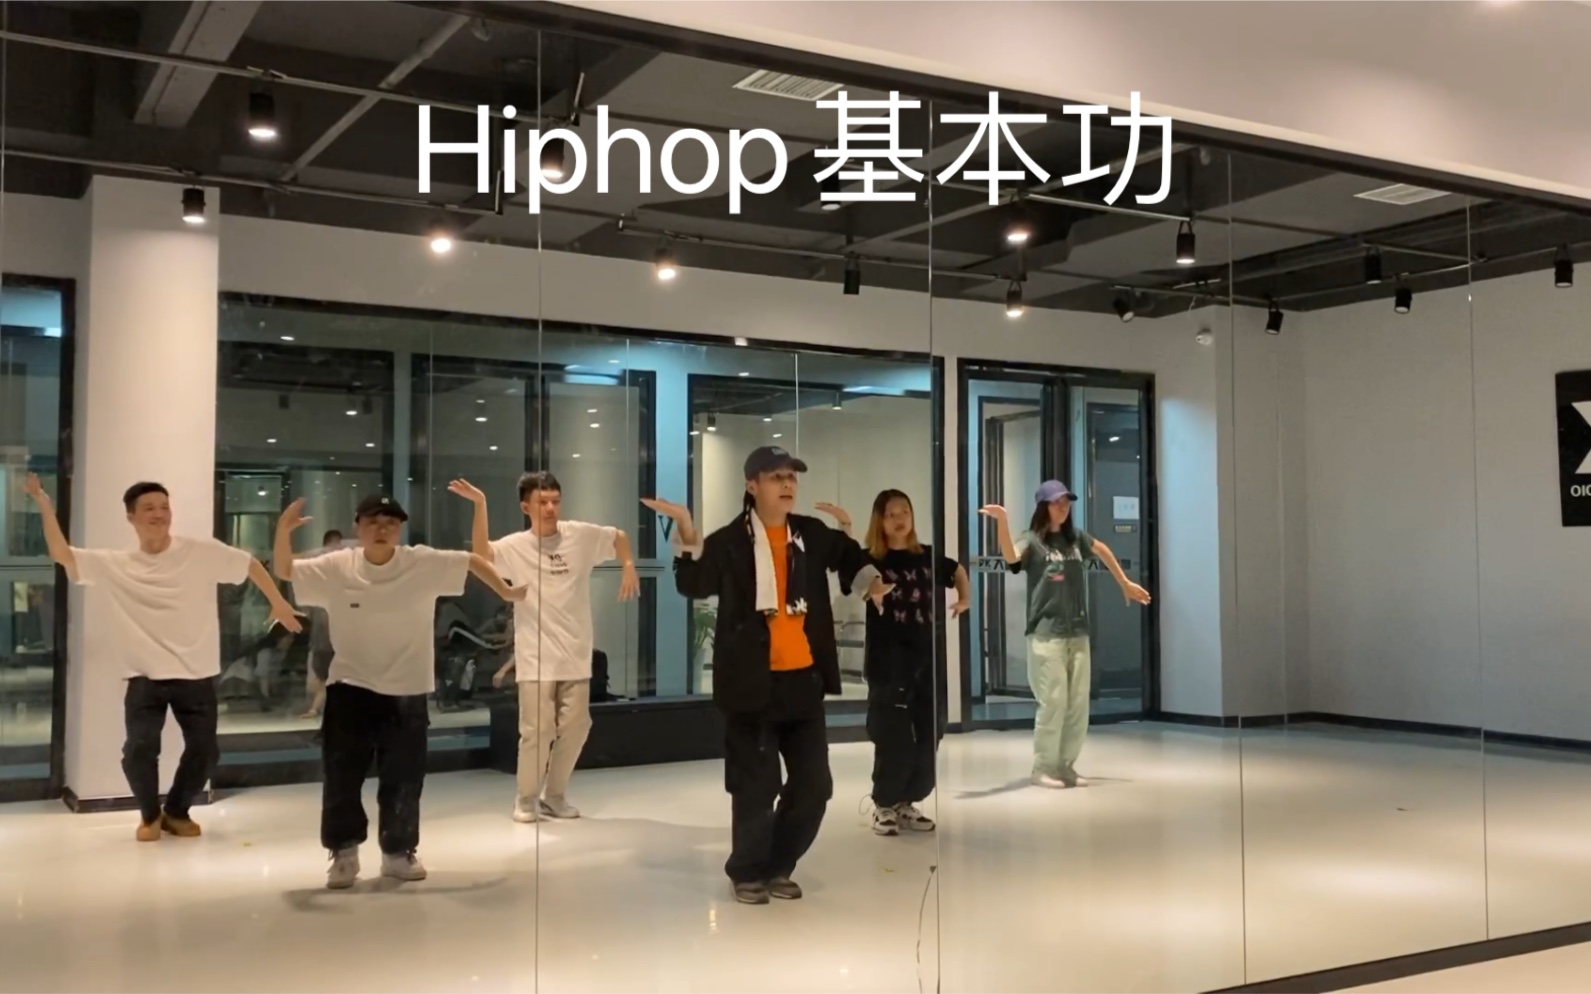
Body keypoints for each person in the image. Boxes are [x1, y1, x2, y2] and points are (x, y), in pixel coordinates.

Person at [644, 446, 870, 906]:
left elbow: (848, 557)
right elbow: (693, 583)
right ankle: (747, 871)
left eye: (791, 477)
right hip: (751, 684)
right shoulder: (730, 541)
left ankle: (778, 864)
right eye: (775, 477)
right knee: (755, 787)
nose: (787, 484)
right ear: (752, 485)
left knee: (815, 787)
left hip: (802, 681)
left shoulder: (809, 533)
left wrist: (873, 583)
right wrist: (686, 528)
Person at [23, 473, 302, 842]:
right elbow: (63, 554)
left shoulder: (199, 551)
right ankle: (149, 815)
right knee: (139, 749)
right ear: (131, 517)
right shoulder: (117, 563)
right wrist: (43, 503)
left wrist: (278, 603)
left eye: (165, 507)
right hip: (144, 674)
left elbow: (249, 563)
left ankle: (176, 811)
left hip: (196, 672)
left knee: (205, 752)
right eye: (149, 508)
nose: (159, 514)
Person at [271, 493, 524, 890]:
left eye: (390, 522)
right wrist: (283, 531)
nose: (382, 529)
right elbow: (285, 570)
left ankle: (398, 851)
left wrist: (507, 592)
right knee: (342, 776)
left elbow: (472, 561)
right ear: (357, 527)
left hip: (407, 688)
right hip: (350, 686)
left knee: (404, 777)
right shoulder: (338, 565)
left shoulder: (420, 562)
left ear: (400, 529)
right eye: (373, 521)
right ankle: (344, 852)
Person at [450, 473, 638, 823]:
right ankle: (526, 798)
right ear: (526, 507)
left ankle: (555, 794)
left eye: (555, 501)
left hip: (575, 651)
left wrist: (628, 565)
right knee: (537, 730)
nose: (550, 508)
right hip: (535, 654)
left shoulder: (578, 535)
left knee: (577, 726)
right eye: (542, 502)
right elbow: (481, 555)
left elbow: (619, 537)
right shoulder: (516, 546)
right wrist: (480, 504)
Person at [981, 481, 1151, 789]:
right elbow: (1011, 558)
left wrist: (1124, 583)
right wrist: (1003, 521)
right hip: (1046, 634)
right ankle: (1043, 767)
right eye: (1057, 502)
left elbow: (1102, 549)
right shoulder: (1031, 539)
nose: (1063, 507)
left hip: (1077, 631)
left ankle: (1066, 766)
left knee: (1077, 704)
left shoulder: (1076, 539)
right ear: (1043, 506)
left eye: (1067, 502)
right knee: (1053, 701)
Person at [840, 489, 970, 836]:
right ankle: (884, 803)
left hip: (926, 660)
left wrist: (965, 598)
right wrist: (846, 528)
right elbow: (849, 570)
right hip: (888, 663)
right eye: (891, 514)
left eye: (905, 512)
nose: (900, 519)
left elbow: (957, 570)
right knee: (893, 735)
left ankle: (907, 801)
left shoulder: (926, 556)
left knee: (930, 733)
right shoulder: (871, 560)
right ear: (879, 521)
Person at [299, 529, 345, 720]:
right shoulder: (319, 576)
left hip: (335, 640)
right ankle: (318, 708)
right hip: (322, 640)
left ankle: (318, 709)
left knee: (329, 678)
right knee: (322, 678)